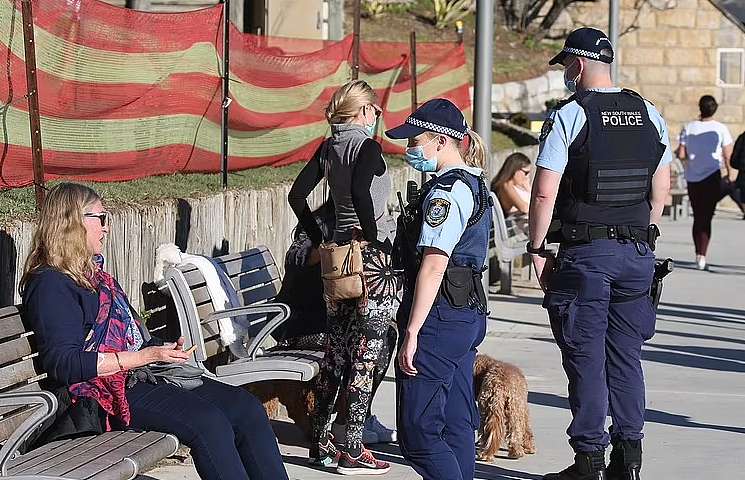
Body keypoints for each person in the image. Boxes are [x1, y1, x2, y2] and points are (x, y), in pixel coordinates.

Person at [20, 182, 289, 480]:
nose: (107, 228)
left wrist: (163, 351)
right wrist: (143, 356)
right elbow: (64, 363)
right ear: (72, 222)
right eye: (102, 218)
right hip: (98, 395)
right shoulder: (50, 285)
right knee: (209, 423)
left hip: (136, 379)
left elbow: (133, 334)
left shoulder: (95, 276)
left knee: (246, 408)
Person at [528, 28, 672, 480]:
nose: (565, 74)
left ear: (578, 65)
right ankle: (628, 460)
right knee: (626, 357)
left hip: (586, 256)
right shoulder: (649, 112)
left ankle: (588, 461)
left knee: (586, 358)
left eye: (565, 65)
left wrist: (536, 250)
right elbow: (661, 189)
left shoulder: (570, 115)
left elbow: (544, 193)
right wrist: (644, 237)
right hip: (637, 255)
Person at [288, 79, 400, 474]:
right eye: (377, 111)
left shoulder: (328, 148)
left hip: (337, 259)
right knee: (367, 354)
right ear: (366, 111)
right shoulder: (368, 147)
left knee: (336, 353)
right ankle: (353, 448)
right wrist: (373, 240)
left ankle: (321, 443)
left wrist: (321, 238)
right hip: (371, 264)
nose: (378, 119)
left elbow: (296, 196)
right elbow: (360, 190)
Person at [385, 98, 492, 480]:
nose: (410, 149)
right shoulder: (476, 183)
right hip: (465, 314)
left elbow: (434, 264)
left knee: (418, 435)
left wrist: (412, 331)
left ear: (442, 142)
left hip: (439, 317)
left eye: (415, 141)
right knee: (455, 422)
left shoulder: (446, 192)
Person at [274, 198, 397, 445]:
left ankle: (360, 415)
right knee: (371, 340)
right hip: (301, 323)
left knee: (384, 333)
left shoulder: (368, 223)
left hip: (331, 316)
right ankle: (346, 420)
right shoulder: (323, 222)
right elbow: (294, 259)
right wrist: (330, 251)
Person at [675, 95, 735, 270]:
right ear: (714, 109)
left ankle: (698, 252)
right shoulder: (720, 129)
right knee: (706, 217)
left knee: (697, 216)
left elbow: (681, 153)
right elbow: (728, 155)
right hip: (711, 176)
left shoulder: (689, 127)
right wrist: (731, 174)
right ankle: (702, 255)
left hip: (693, 177)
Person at [490, 152, 533, 234]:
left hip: (527, 224)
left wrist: (527, 187)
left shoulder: (515, 185)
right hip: (525, 225)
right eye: (526, 173)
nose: (527, 177)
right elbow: (525, 208)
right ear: (515, 170)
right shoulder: (507, 185)